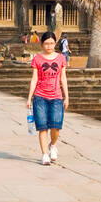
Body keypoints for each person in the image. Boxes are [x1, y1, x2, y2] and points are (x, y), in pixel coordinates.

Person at [26, 31, 68, 165]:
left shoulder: (61, 58)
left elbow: (63, 78)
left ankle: (53, 145)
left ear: (55, 43)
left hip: (56, 96)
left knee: (56, 126)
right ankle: (44, 154)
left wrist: (66, 97)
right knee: (42, 127)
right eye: (46, 43)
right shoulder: (37, 59)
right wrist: (29, 97)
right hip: (40, 96)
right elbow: (34, 79)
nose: (49, 46)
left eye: (51, 43)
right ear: (42, 44)